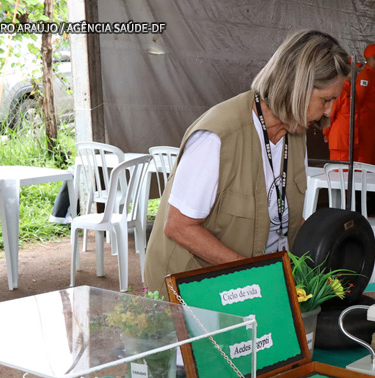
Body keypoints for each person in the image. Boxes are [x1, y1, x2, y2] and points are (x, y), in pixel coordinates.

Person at [144, 30, 349, 293]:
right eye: (326, 100)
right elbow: (178, 227)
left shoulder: (295, 133)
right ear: (298, 88)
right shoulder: (218, 136)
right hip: (190, 288)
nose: (330, 111)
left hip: (247, 284)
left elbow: (285, 216)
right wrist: (258, 274)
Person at [355, 43, 375, 164]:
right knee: (365, 159)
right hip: (366, 126)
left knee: (372, 159)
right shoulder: (365, 77)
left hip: (374, 125)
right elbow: (358, 101)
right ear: (373, 58)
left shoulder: (374, 76)